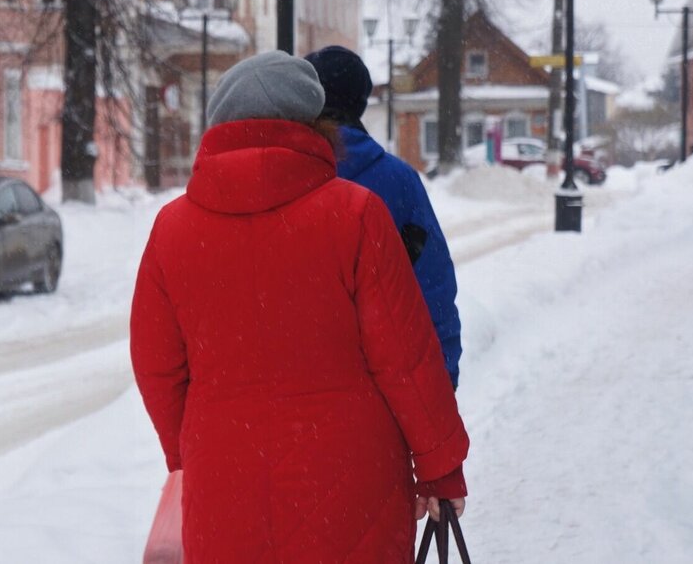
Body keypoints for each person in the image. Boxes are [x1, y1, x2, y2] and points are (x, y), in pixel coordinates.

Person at [131, 51, 469, 562]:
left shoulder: (172, 230)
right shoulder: (355, 215)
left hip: (225, 483)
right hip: (354, 488)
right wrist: (440, 465)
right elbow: (405, 357)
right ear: (316, 124)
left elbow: (157, 365)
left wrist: (195, 448)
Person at [305, 45, 464, 389]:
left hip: (289, 396)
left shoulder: (278, 172)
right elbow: (431, 285)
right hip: (376, 388)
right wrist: (441, 378)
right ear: (360, 102)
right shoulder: (397, 180)